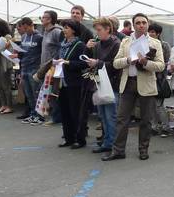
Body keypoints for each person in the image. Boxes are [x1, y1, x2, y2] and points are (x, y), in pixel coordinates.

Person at [104, 13, 165, 161]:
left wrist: (145, 63)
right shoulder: (125, 42)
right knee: (121, 119)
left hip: (147, 85)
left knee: (146, 120)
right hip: (128, 83)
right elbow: (115, 63)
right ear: (133, 25)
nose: (141, 25)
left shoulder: (155, 43)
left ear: (148, 24)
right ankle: (118, 150)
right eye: (138, 23)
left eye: (144, 22)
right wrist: (128, 60)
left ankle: (143, 149)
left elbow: (161, 66)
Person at [84, 17, 121, 154]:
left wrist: (97, 63)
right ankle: (107, 142)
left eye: (99, 30)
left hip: (112, 84)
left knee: (111, 116)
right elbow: (92, 62)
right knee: (103, 116)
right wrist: (87, 50)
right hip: (100, 83)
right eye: (96, 30)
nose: (97, 32)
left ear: (108, 29)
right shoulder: (98, 44)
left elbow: (116, 66)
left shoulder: (117, 44)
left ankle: (113, 144)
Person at [55, 20, 88, 149]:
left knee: (75, 111)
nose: (64, 30)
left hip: (75, 82)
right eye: (64, 28)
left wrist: (67, 63)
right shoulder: (62, 44)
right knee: (64, 111)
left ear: (73, 30)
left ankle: (79, 139)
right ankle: (68, 137)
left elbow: (84, 64)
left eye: (67, 28)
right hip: (62, 81)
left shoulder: (80, 45)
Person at [16, 18, 44, 124]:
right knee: (28, 94)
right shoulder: (24, 37)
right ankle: (33, 114)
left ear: (31, 25)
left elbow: (43, 52)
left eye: (26, 28)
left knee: (36, 93)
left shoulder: (39, 37)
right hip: (25, 67)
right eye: (24, 28)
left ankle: (39, 115)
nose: (25, 30)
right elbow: (23, 51)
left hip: (35, 68)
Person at [148, 22, 172, 137]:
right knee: (151, 105)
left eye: (152, 32)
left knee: (159, 105)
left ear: (158, 33)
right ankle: (154, 126)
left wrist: (156, 66)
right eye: (149, 31)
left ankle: (165, 127)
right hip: (148, 78)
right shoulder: (145, 44)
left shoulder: (164, 45)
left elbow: (167, 62)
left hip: (159, 78)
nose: (150, 34)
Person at [40, 10, 64, 125]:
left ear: (50, 19)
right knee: (48, 92)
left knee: (54, 93)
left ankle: (56, 117)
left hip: (54, 68)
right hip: (46, 67)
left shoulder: (57, 32)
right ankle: (53, 115)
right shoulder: (45, 31)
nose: (42, 19)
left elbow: (62, 48)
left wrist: (55, 62)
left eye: (44, 17)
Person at [0, 20, 15, 115]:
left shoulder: (7, 37)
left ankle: (9, 106)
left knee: (6, 86)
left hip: (5, 64)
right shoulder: (0, 37)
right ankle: (3, 105)